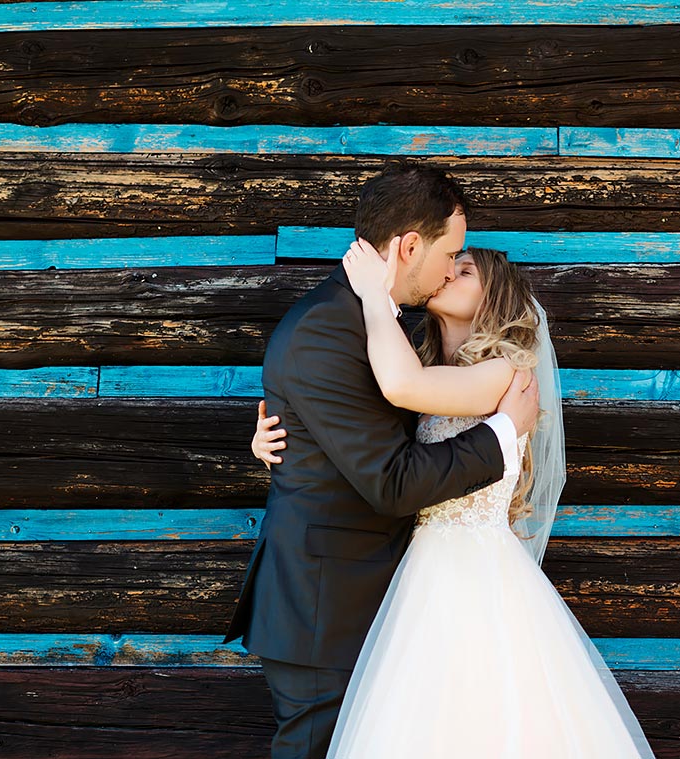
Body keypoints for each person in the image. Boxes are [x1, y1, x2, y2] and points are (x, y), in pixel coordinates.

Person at [253, 241, 658, 758]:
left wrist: (376, 298)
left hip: (472, 574)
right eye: (451, 263)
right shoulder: (424, 366)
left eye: (465, 271)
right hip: (415, 572)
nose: (448, 272)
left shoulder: (504, 373)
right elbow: (359, 436)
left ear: (495, 298)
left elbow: (404, 385)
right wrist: (273, 440)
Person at [222, 163, 540, 759]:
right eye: (452, 253)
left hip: (392, 600)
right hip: (325, 610)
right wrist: (501, 436)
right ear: (411, 246)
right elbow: (390, 479)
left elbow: (379, 420)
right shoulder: (328, 331)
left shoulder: (389, 331)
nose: (452, 268)